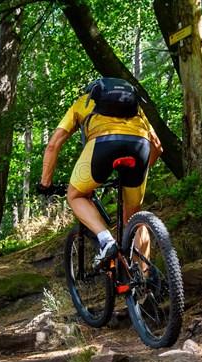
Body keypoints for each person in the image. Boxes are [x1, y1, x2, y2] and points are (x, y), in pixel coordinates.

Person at [38, 78, 163, 267]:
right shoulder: (134, 108)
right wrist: (143, 166)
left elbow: (53, 145)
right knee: (134, 217)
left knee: (76, 195)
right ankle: (145, 284)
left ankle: (106, 241)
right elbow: (158, 147)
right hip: (140, 147)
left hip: (103, 144)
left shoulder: (83, 103)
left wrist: (45, 183)